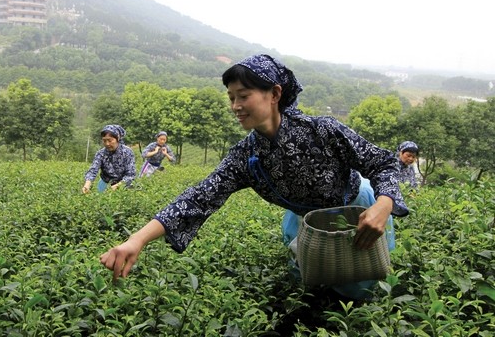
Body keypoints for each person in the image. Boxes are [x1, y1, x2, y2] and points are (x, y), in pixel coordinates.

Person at [100, 54, 409, 299]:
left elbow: (382, 163)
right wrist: (136, 240)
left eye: (243, 96)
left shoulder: (323, 130)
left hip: (359, 211)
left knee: (359, 288)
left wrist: (383, 206)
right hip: (305, 220)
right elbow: (198, 197)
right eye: (231, 97)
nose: (235, 106)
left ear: (274, 93)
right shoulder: (245, 157)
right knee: (312, 290)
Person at [82, 125, 136, 193]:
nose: (107, 144)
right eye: (104, 141)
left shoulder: (127, 152)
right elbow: (93, 170)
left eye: (110, 140)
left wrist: (118, 185)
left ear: (118, 138)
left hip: (123, 183)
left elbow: (130, 175)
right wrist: (87, 185)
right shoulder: (101, 154)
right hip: (105, 182)